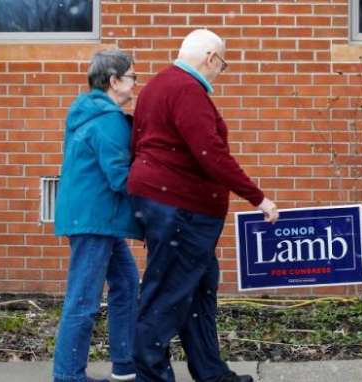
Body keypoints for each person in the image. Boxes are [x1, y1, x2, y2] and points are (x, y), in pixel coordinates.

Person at [128, 29, 279, 382]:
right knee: (167, 293)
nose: (219, 72)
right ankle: (150, 376)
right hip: (180, 208)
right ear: (211, 57)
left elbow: (138, 141)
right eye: (221, 64)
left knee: (198, 291)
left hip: (168, 204)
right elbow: (211, 154)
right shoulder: (186, 90)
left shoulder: (158, 85)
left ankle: (211, 373)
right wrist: (258, 197)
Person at [53, 49, 141, 382]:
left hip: (94, 218)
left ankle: (125, 366)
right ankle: (68, 376)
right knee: (83, 299)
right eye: (132, 76)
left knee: (126, 282)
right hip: (95, 221)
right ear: (114, 80)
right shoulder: (107, 119)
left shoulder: (85, 112)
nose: (135, 83)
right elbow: (121, 176)